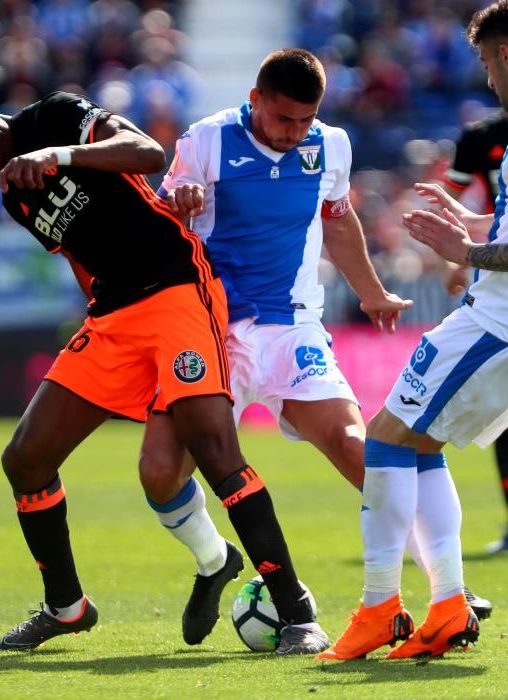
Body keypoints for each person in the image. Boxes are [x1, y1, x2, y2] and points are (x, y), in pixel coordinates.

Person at [0, 90, 327, 655]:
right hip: (113, 315)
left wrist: (59, 156)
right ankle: (67, 608)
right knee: (25, 457)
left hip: (176, 287)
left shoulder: (56, 115)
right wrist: (94, 327)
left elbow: (147, 153)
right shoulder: (16, 196)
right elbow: (81, 258)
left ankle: (297, 612)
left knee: (212, 448)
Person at [132, 47, 491, 650]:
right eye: (283, 120)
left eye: (306, 120)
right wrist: (180, 203)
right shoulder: (206, 140)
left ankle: (447, 592)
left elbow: (338, 219)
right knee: (160, 471)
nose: (295, 133)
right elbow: (166, 213)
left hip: (293, 327)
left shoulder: (330, 145)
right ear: (256, 101)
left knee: (361, 446)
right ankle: (213, 557)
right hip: (211, 328)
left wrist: (373, 293)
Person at [319, 1, 508, 661]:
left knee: (385, 439)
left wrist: (465, 253)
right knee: (418, 445)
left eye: (488, 62)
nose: (487, 78)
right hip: (490, 315)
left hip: (499, 322)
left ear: (506, 55)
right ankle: (449, 606)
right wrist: (472, 226)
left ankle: (378, 607)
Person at [443, 109, 508, 555]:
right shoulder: (481, 136)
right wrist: (457, 258)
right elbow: (453, 196)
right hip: (497, 279)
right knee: (503, 423)